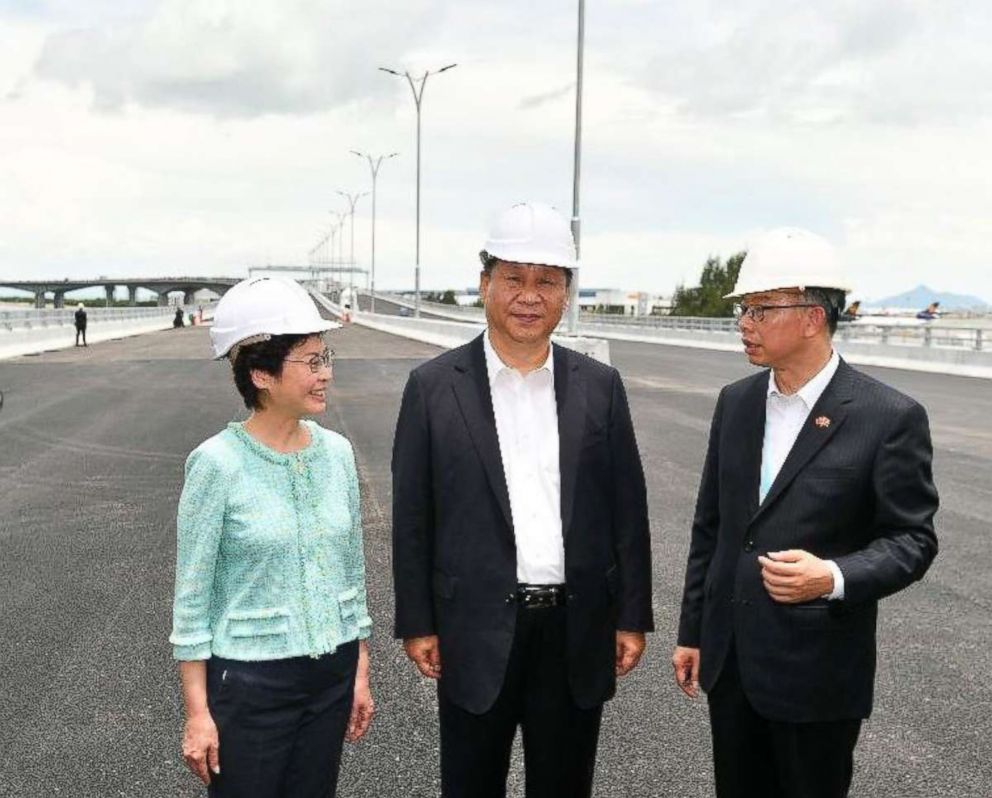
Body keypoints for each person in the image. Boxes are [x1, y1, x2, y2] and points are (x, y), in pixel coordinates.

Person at [392, 202, 653, 798]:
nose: (529, 295)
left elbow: (626, 510)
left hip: (575, 628)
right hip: (472, 626)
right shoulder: (433, 387)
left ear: (565, 295)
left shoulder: (599, 386)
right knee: (470, 782)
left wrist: (631, 614)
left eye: (547, 281)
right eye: (513, 277)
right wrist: (418, 621)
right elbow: (412, 517)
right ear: (485, 285)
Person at [672, 228, 939, 798]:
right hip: (733, 663)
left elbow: (912, 539)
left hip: (817, 674)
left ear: (813, 317)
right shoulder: (736, 403)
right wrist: (694, 631)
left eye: (760, 309)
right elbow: (712, 528)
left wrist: (834, 577)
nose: (744, 322)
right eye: (744, 309)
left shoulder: (887, 416)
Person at [169, 276, 374, 797]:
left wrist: (358, 668)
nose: (325, 374)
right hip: (250, 684)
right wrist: (198, 713)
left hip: (332, 672)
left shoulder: (337, 455)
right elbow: (193, 597)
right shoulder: (216, 464)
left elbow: (351, 568)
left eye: (326, 358)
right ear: (261, 373)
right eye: (310, 362)